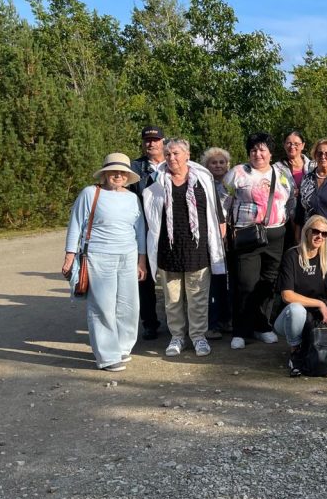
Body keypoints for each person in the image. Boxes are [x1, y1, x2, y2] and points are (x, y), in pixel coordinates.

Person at [62, 153, 148, 372]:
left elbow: (139, 231)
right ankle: (107, 356)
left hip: (128, 256)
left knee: (129, 305)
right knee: (102, 306)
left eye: (122, 172)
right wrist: (70, 256)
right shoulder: (90, 193)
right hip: (99, 256)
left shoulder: (132, 198)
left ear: (128, 176)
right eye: (113, 171)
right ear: (105, 174)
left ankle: (123, 347)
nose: (118, 175)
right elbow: (75, 225)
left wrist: (141, 261)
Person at [142, 138, 226, 357]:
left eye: (176, 153)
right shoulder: (156, 180)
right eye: (168, 154)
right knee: (172, 299)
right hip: (168, 249)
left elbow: (216, 210)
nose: (171, 158)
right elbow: (150, 214)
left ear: (187, 155)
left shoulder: (203, 179)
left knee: (198, 298)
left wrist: (220, 237)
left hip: (197, 249)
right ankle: (177, 337)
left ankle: (198, 337)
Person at [221, 132, 296, 350]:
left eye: (262, 149)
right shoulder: (238, 173)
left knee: (268, 282)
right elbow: (223, 200)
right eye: (253, 150)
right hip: (247, 235)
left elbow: (292, 199)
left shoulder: (282, 173)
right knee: (246, 283)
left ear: (271, 153)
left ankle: (262, 326)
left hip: (276, 235)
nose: (258, 154)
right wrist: (224, 227)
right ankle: (240, 330)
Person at [273, 215, 327, 377]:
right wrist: (320, 304)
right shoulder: (292, 256)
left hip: (316, 317)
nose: (319, 236)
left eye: (324, 234)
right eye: (316, 231)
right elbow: (287, 296)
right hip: (289, 319)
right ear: (306, 231)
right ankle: (295, 352)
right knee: (296, 309)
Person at [129, 126, 164, 340]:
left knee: (175, 278)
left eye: (155, 139)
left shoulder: (173, 163)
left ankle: (181, 323)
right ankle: (150, 323)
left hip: (170, 230)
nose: (151, 143)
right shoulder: (134, 168)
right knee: (145, 279)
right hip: (144, 230)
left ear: (163, 141)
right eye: (147, 140)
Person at [200, 146, 233, 338]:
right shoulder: (202, 184)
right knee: (213, 282)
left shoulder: (233, 183)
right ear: (207, 165)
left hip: (231, 236)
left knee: (228, 281)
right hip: (211, 237)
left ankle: (227, 320)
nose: (218, 165)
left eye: (222, 162)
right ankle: (212, 323)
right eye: (214, 162)